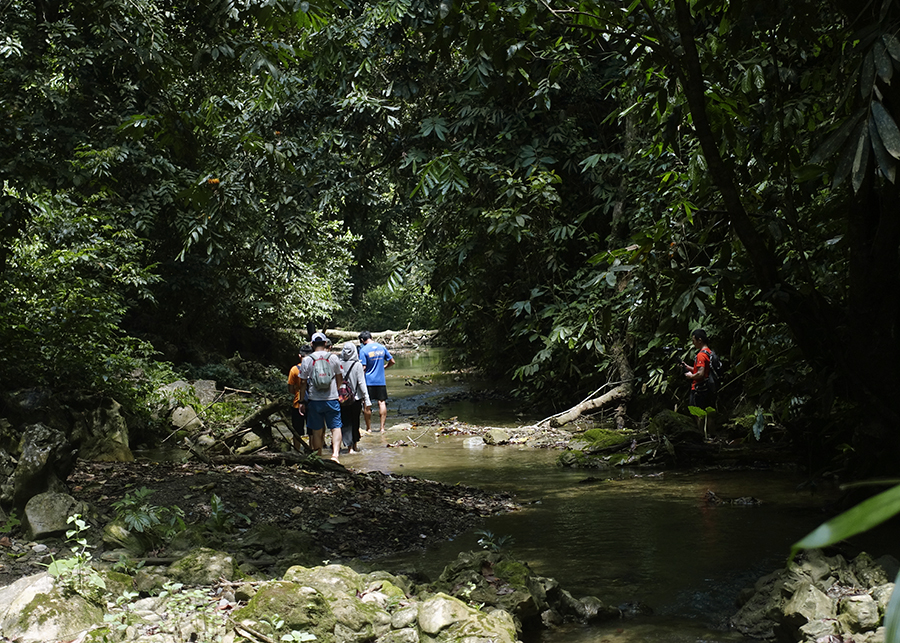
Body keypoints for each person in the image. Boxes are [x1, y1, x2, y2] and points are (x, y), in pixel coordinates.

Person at [296, 332, 344, 461]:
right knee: (335, 427)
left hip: (314, 399)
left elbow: (302, 382)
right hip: (332, 398)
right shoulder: (333, 357)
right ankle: (335, 455)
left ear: (311, 344)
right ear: (325, 343)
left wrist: (301, 401)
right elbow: (340, 377)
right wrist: (336, 390)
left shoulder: (307, 360)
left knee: (316, 430)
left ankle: (318, 456)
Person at [358, 330, 395, 433]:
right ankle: (382, 428)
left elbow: (363, 367)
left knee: (367, 404)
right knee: (382, 402)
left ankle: (369, 428)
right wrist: (384, 367)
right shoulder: (381, 347)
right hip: (380, 381)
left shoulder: (363, 350)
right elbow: (392, 361)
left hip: (368, 381)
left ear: (362, 340)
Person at [338, 341, 371, 453]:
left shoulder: (338, 363)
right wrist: (367, 399)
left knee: (345, 422)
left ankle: (349, 447)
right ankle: (355, 446)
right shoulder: (357, 365)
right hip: (356, 398)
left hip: (342, 398)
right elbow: (361, 383)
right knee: (355, 421)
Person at [683, 328, 716, 434]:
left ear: (700, 340)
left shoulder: (701, 355)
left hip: (699, 389)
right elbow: (703, 370)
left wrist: (690, 376)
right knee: (708, 414)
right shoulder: (709, 352)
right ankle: (711, 436)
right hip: (709, 387)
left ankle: (702, 435)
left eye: (694, 340)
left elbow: (700, 374)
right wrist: (688, 367)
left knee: (698, 414)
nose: (693, 343)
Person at [286, 344, 314, 452]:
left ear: (299, 356)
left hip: (298, 403)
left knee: (297, 430)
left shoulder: (294, 369)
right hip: (313, 401)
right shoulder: (315, 367)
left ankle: (297, 451)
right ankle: (312, 450)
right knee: (312, 429)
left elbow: (290, 389)